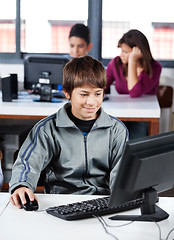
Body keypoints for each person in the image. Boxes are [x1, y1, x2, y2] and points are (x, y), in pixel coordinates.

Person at [9, 56, 128, 208]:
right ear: (67, 92)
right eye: (84, 94)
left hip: (102, 202)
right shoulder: (47, 129)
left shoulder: (116, 130)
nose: (91, 102)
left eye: (97, 94)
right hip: (61, 203)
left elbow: (121, 174)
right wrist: (21, 186)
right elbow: (28, 163)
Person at [105, 29, 162, 139]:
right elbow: (102, 85)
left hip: (142, 118)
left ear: (139, 51)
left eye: (126, 52)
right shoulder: (116, 63)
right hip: (119, 115)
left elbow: (135, 92)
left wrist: (132, 61)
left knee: (130, 140)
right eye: (121, 50)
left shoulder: (155, 68)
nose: (121, 55)